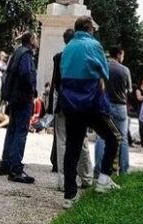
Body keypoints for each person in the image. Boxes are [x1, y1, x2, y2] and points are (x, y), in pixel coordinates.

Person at [60, 16, 121, 209]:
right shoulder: (94, 45)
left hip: (70, 103)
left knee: (72, 148)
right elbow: (105, 72)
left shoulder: (68, 47)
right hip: (91, 102)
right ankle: (103, 179)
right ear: (89, 29)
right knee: (114, 137)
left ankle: (70, 195)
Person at [48, 28, 93, 190]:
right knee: (82, 142)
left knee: (62, 143)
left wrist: (50, 106)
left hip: (63, 102)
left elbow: (55, 83)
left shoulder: (59, 57)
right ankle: (87, 177)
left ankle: (64, 181)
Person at [0, 32, 39, 184]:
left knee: (12, 130)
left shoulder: (17, 52)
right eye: (36, 38)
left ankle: (6, 164)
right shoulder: (26, 54)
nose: (37, 41)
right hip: (23, 97)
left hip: (14, 97)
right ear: (31, 41)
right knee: (21, 132)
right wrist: (32, 91)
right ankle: (16, 168)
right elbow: (26, 74)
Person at [94, 46, 132, 175]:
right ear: (119, 54)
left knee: (101, 137)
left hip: (105, 105)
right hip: (120, 106)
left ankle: (98, 169)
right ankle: (123, 170)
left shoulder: (103, 67)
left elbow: (98, 86)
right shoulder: (125, 70)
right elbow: (128, 90)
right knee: (123, 139)